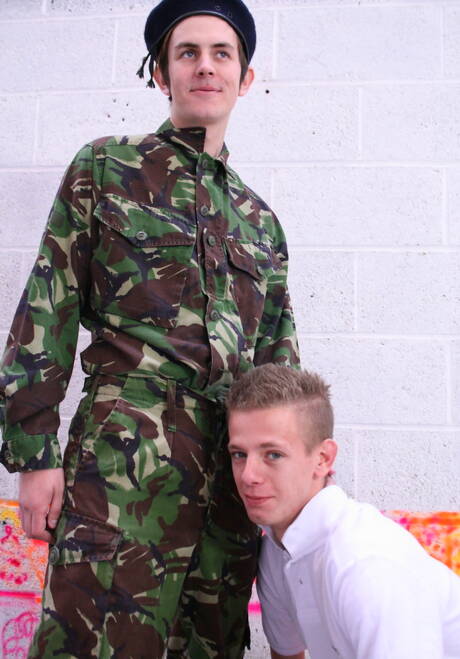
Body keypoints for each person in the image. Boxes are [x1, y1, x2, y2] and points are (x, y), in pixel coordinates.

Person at [0, 1, 299, 656]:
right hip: (122, 464)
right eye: (187, 53)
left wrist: (290, 484)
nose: (205, 67)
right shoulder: (106, 168)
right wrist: (34, 455)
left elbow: (281, 366)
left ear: (245, 78)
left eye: (222, 53)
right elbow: (49, 304)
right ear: (162, 74)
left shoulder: (260, 222)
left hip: (229, 487)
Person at [227, 364, 460, 659]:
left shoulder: (366, 565)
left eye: (273, 454)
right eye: (239, 454)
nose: (248, 475)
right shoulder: (277, 550)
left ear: (323, 459)